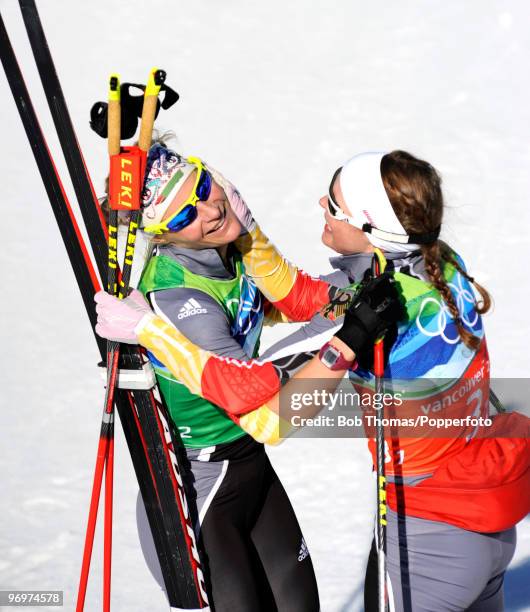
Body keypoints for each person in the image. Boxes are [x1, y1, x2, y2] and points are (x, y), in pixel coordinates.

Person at [97, 148, 529, 611]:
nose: (319, 205)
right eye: (185, 211)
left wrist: (149, 331)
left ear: (369, 228)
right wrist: (251, 237)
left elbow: (265, 415)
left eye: (333, 203)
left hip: (425, 536)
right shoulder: (437, 262)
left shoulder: (369, 300)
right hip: (489, 517)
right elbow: (306, 301)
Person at [95, 142, 403, 612]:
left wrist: (368, 278)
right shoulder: (179, 295)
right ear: (163, 235)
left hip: (251, 469)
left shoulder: (230, 248)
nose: (208, 211)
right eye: (182, 218)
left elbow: (302, 299)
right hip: (200, 489)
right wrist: (342, 341)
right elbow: (248, 390)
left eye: (202, 189)